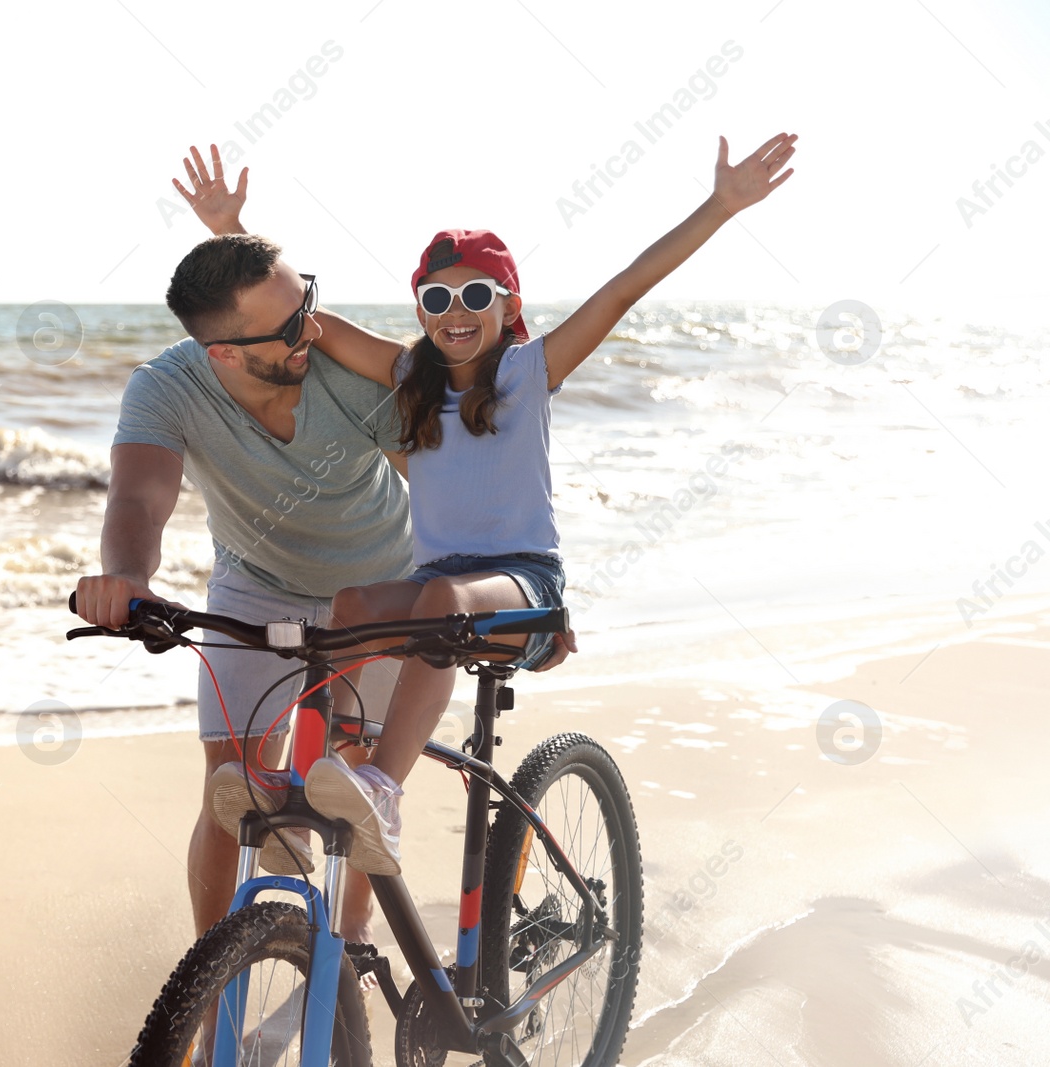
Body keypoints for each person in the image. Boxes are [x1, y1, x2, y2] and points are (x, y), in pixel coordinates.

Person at [186, 133, 798, 875]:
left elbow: (624, 287)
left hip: (524, 588)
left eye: (477, 295)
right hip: (437, 591)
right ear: (421, 309)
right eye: (437, 298)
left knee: (439, 596)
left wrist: (722, 205)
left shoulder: (531, 369)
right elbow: (302, 323)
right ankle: (324, 783)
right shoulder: (411, 374)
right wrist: (229, 231)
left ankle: (381, 786)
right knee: (349, 606)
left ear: (509, 307)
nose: (456, 310)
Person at [78, 144, 526, 941]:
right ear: (224, 355)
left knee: (355, 783)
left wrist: (506, 582)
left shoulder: (344, 375)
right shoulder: (166, 387)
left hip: (381, 580)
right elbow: (140, 495)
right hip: (258, 582)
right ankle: (212, 989)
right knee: (231, 791)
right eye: (290, 326)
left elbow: (446, 488)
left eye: (308, 302)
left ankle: (347, 955)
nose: (311, 329)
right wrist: (124, 575)